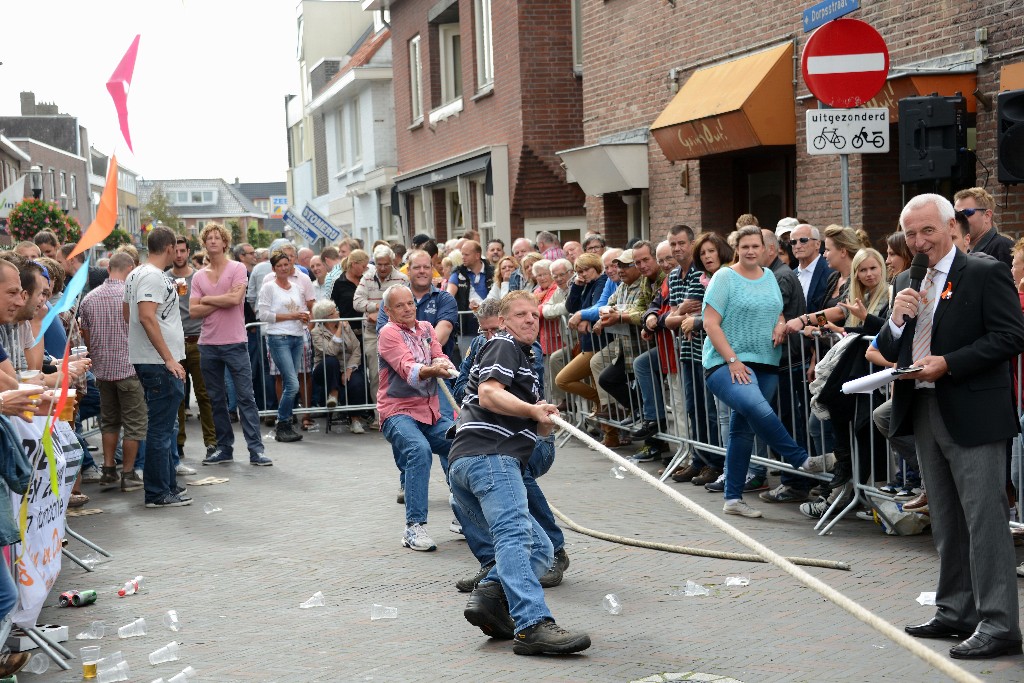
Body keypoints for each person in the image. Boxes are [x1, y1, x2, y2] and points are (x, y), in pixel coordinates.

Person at [878, 193, 1024, 660]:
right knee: (945, 519)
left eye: (928, 231)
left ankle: (1000, 623)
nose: (919, 241)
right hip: (922, 409)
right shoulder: (905, 279)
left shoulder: (983, 272)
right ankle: (955, 609)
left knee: (985, 521)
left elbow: (1010, 336)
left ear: (950, 227)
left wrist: (950, 363)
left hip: (973, 413)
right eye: (911, 233)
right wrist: (897, 322)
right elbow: (885, 343)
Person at [447, 290, 591, 655]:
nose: (530, 320)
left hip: (471, 462)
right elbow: (489, 394)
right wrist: (531, 411)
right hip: (490, 458)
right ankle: (531, 625)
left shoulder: (523, 360)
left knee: (540, 549)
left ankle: (490, 599)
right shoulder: (503, 345)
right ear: (505, 321)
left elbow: (519, 421)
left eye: (535, 315)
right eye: (521, 314)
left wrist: (542, 423)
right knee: (514, 537)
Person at [701, 226, 829, 518]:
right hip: (725, 364)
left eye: (754, 246)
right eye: (744, 246)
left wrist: (779, 324)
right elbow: (710, 323)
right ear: (737, 249)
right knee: (758, 409)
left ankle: (732, 499)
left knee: (742, 431)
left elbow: (777, 311)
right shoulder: (724, 277)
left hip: (767, 363)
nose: (749, 251)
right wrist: (733, 360)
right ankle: (802, 460)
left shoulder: (770, 276)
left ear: (764, 249)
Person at [377, 286, 456, 552]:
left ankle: (466, 513)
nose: (408, 308)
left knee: (464, 442)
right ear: (388, 310)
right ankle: (413, 527)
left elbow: (438, 353)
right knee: (418, 450)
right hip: (397, 411)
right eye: (400, 306)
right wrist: (433, 369)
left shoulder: (426, 328)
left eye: (410, 303)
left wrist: (444, 364)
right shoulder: (388, 333)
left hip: (430, 411)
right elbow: (407, 367)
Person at [190, 224, 272, 466]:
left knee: (246, 397)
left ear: (225, 243)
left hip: (235, 342)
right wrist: (221, 300)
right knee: (216, 399)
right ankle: (224, 448)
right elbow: (194, 311)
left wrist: (207, 298)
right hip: (208, 344)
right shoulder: (198, 276)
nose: (213, 241)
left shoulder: (237, 268)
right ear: (204, 244)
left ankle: (256, 450)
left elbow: (236, 299)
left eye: (218, 237)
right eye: (209, 238)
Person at [123, 226, 192, 509]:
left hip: (150, 358)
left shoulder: (136, 273)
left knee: (167, 425)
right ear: (169, 248)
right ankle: (156, 492)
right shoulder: (151, 276)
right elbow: (145, 316)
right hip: (157, 362)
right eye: (175, 248)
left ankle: (167, 486)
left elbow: (127, 313)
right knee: (162, 428)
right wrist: (168, 358)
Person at [78, 253, 146, 493]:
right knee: (135, 424)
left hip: (102, 371)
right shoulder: (132, 297)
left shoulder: (89, 299)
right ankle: (128, 474)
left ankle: (108, 470)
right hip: (129, 368)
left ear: (110, 270)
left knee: (109, 421)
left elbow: (85, 336)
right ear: (129, 269)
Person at [258, 250, 314, 443]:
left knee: (294, 381)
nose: (283, 268)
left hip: (297, 336)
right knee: (291, 383)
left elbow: (303, 309)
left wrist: (304, 317)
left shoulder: (297, 287)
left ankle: (286, 423)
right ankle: (282, 422)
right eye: (279, 265)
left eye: (286, 264)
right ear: (273, 269)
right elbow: (263, 315)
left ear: (291, 265)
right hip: (278, 337)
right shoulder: (269, 288)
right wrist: (293, 316)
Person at [170, 237, 215, 466]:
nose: (178, 255)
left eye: (182, 251)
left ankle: (211, 442)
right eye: (175, 251)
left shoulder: (199, 276)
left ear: (188, 252)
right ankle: (178, 444)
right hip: (174, 342)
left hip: (197, 339)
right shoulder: (164, 278)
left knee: (204, 393)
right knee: (177, 396)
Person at [353, 245, 408, 425]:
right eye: (379, 264)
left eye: (386, 264)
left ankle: (400, 413)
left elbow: (408, 303)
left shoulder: (401, 278)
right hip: (371, 333)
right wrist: (376, 308)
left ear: (392, 262)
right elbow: (357, 301)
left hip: (397, 333)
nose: (382, 268)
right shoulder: (367, 277)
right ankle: (380, 416)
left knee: (399, 373)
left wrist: (385, 312)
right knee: (377, 374)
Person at [309, 299, 368, 432]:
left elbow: (356, 348)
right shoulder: (316, 332)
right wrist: (340, 329)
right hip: (326, 371)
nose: (338, 312)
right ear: (326, 317)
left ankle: (355, 420)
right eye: (334, 311)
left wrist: (349, 369)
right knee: (331, 361)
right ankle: (333, 394)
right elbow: (331, 351)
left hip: (347, 367)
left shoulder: (346, 326)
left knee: (356, 382)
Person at [954, 186, 1012, 267]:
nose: (959, 219)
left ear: (987, 216)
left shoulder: (1002, 247)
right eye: (956, 214)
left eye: (966, 212)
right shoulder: (959, 251)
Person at [790, 224, 834, 316]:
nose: (797, 246)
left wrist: (819, 327)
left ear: (817, 244)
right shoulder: (791, 275)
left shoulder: (831, 272)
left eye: (803, 240)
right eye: (793, 242)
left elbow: (835, 311)